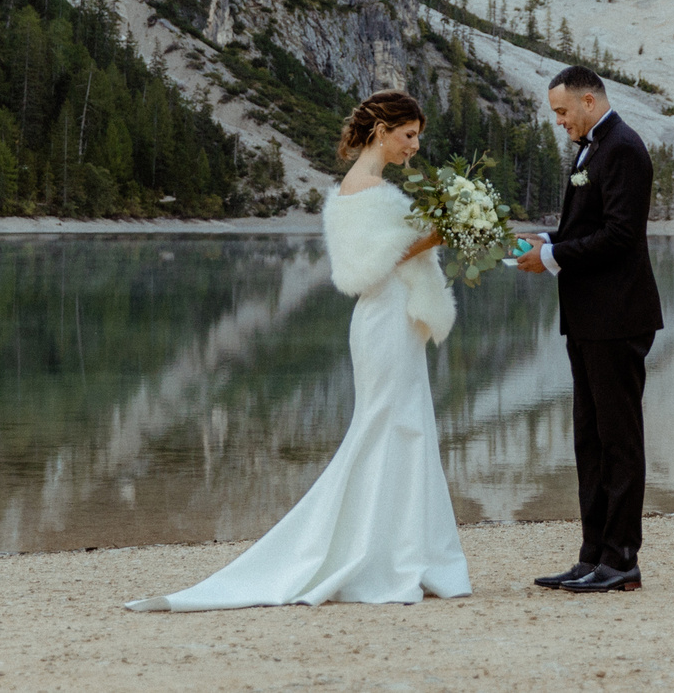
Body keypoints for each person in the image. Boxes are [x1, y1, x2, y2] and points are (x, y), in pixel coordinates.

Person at [126, 90, 469, 610]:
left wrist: (436, 231)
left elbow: (393, 251)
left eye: (418, 136)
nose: (415, 146)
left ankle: (403, 553)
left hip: (396, 321)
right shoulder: (365, 188)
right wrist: (439, 232)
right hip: (383, 321)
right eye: (408, 135)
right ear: (382, 131)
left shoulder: (368, 187)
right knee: (386, 425)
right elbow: (371, 265)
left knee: (406, 425)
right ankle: (378, 556)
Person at [510, 64, 662, 593]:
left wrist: (553, 257)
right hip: (589, 318)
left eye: (562, 111)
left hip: (618, 317)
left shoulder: (623, 147)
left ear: (590, 102)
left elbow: (621, 236)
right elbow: (588, 228)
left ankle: (621, 558)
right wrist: (545, 242)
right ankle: (592, 554)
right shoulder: (593, 146)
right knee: (590, 439)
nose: (558, 122)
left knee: (619, 440)